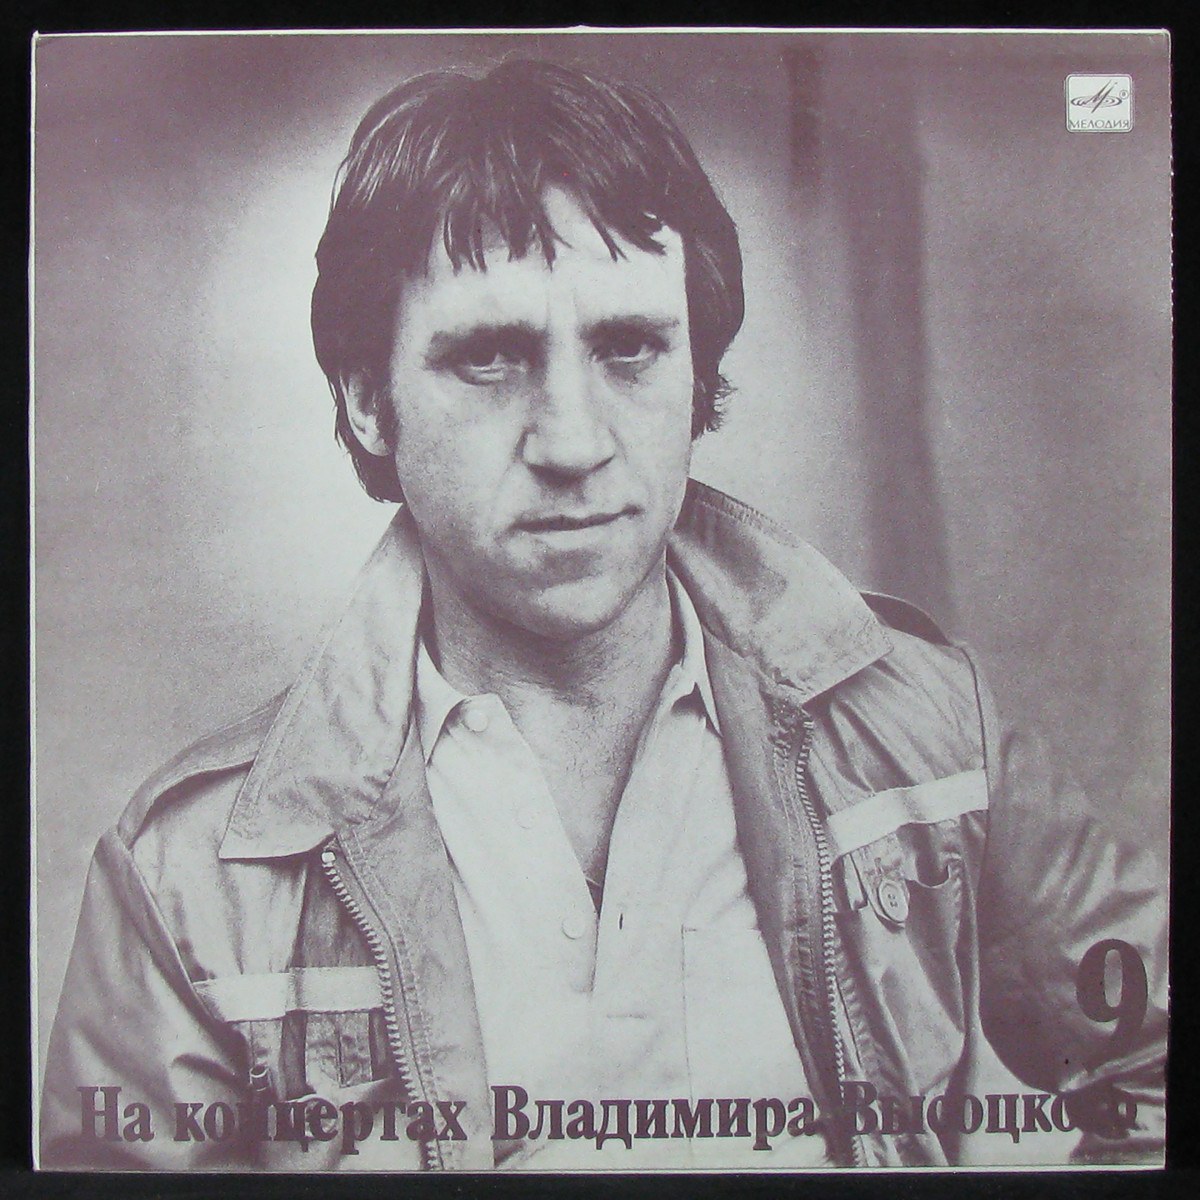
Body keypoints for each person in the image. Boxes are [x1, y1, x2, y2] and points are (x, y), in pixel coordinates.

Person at [40, 58, 1166, 1171]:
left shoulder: (931, 732)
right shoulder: (187, 884)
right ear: (369, 402)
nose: (573, 442)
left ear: (697, 375)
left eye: (630, 347)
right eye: (491, 358)